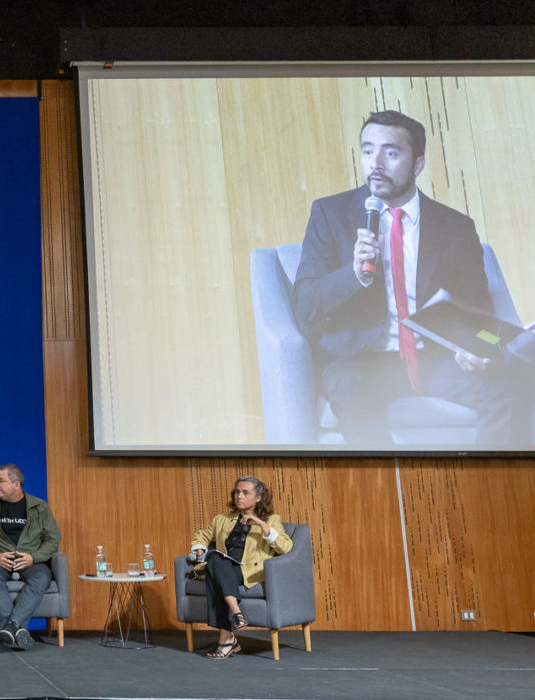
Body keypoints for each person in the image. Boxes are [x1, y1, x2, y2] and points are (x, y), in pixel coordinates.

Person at [292, 109, 526, 446]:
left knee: (507, 383)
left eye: (391, 152)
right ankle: (385, 496)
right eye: (367, 150)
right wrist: (353, 275)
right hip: (362, 361)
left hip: (435, 359)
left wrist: (478, 349)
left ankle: (491, 492)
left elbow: (478, 309)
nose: (376, 163)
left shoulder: (456, 227)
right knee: (351, 384)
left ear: (418, 164)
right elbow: (304, 305)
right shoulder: (330, 214)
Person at [188, 476, 292, 659]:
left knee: (214, 569)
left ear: (258, 498)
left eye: (245, 493)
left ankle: (227, 640)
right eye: (237, 492)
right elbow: (202, 536)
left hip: (246, 570)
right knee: (215, 560)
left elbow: (286, 547)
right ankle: (235, 615)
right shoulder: (222, 519)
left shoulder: (270, 519)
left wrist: (262, 525)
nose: (239, 496)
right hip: (224, 566)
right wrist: (198, 549)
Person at [0, 463, 61, 650]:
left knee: (42, 576)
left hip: (30, 560)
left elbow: (53, 538)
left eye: (1, 481)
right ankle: (17, 630)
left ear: (16, 484)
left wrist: (33, 557)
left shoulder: (39, 506)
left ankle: (10, 627)